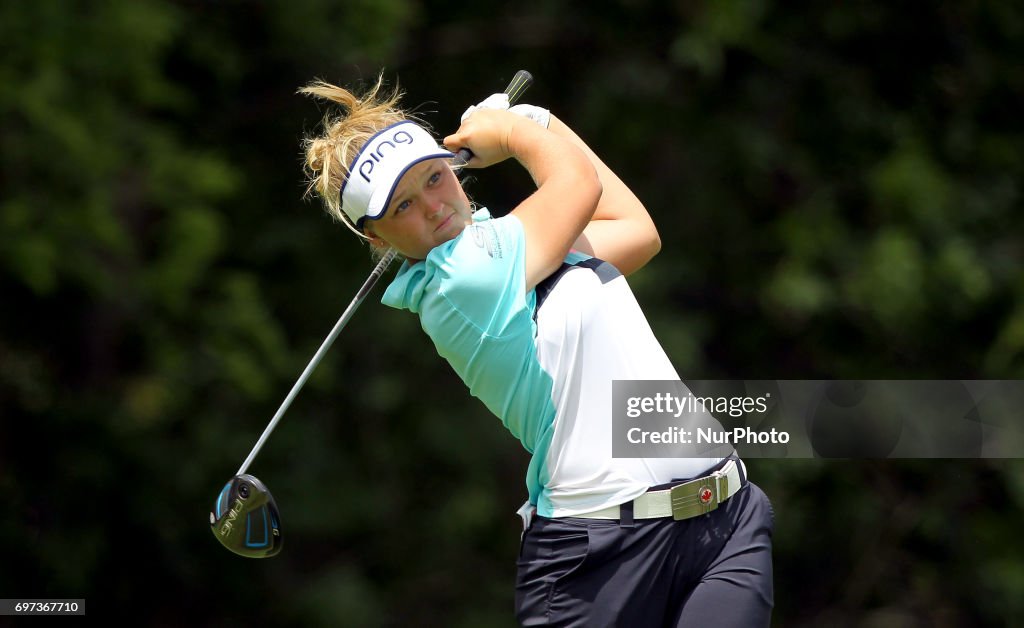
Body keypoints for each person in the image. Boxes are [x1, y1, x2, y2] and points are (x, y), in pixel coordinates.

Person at [299, 75, 775, 626]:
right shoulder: (461, 282)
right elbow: (577, 184)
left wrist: (541, 122)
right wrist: (516, 132)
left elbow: (635, 230)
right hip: (600, 560)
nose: (432, 206)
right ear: (377, 238)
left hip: (724, 521)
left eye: (434, 177)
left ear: (452, 168)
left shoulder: (519, 246)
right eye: (403, 205)